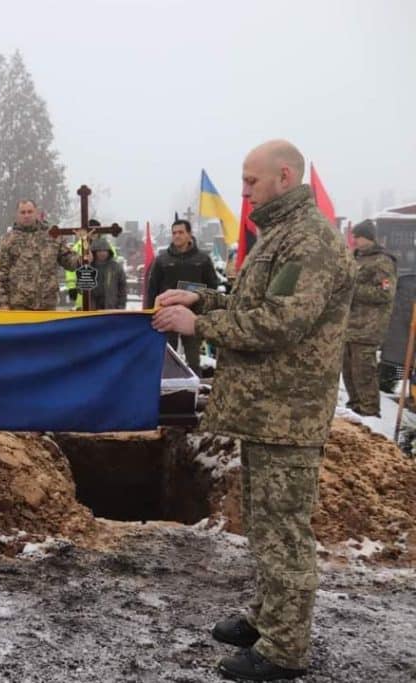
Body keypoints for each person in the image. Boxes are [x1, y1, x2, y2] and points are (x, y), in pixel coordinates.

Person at [153, 140, 355, 681]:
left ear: (284, 177)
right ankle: (267, 617)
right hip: (266, 409)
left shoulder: (309, 242)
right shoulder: (279, 236)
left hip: (288, 413)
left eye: (250, 182)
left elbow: (279, 323)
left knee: (284, 533)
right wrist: (203, 301)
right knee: (265, 527)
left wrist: (202, 327)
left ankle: (283, 650)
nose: (243, 192)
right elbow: (251, 304)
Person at [145, 219, 220, 373]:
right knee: (168, 358)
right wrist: (149, 313)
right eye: (174, 233)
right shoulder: (162, 260)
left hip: (192, 315)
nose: (177, 236)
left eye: (181, 232)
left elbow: (212, 286)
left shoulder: (202, 259)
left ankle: (195, 388)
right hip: (166, 315)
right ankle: (169, 390)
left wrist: (203, 306)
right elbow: (152, 288)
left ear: (189, 234)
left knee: (193, 359)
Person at [342, 221, 396, 416]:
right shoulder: (355, 258)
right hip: (349, 325)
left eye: (357, 236)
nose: (353, 240)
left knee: (363, 370)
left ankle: (370, 410)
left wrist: (353, 290)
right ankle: (355, 406)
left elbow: (385, 294)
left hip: (368, 327)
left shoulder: (382, 261)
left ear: (368, 237)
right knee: (348, 370)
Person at [0, 199, 81, 310]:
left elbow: (68, 260)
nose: (26, 215)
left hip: (47, 305)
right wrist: (2, 303)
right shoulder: (7, 240)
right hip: (19, 307)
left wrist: (82, 260)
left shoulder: (52, 235)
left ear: (36, 213)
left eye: (30, 212)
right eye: (23, 212)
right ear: (17, 215)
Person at [85, 239, 127, 311]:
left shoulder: (116, 267)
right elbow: (81, 289)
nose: (102, 253)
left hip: (111, 309)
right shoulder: (88, 267)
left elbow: (122, 289)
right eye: (99, 251)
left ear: (109, 252)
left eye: (105, 250)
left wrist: (121, 307)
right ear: (94, 252)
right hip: (92, 309)